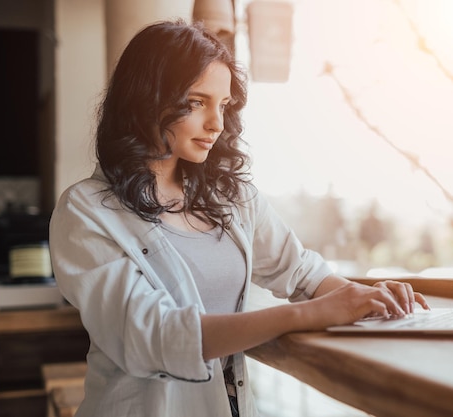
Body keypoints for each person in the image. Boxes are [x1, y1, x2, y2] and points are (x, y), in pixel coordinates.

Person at [49, 19, 430, 417]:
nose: (215, 124)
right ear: (146, 98)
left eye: (223, 105)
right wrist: (309, 314)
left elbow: (301, 273)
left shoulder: (230, 197)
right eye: (197, 102)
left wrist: (364, 297)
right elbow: (153, 337)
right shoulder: (86, 211)